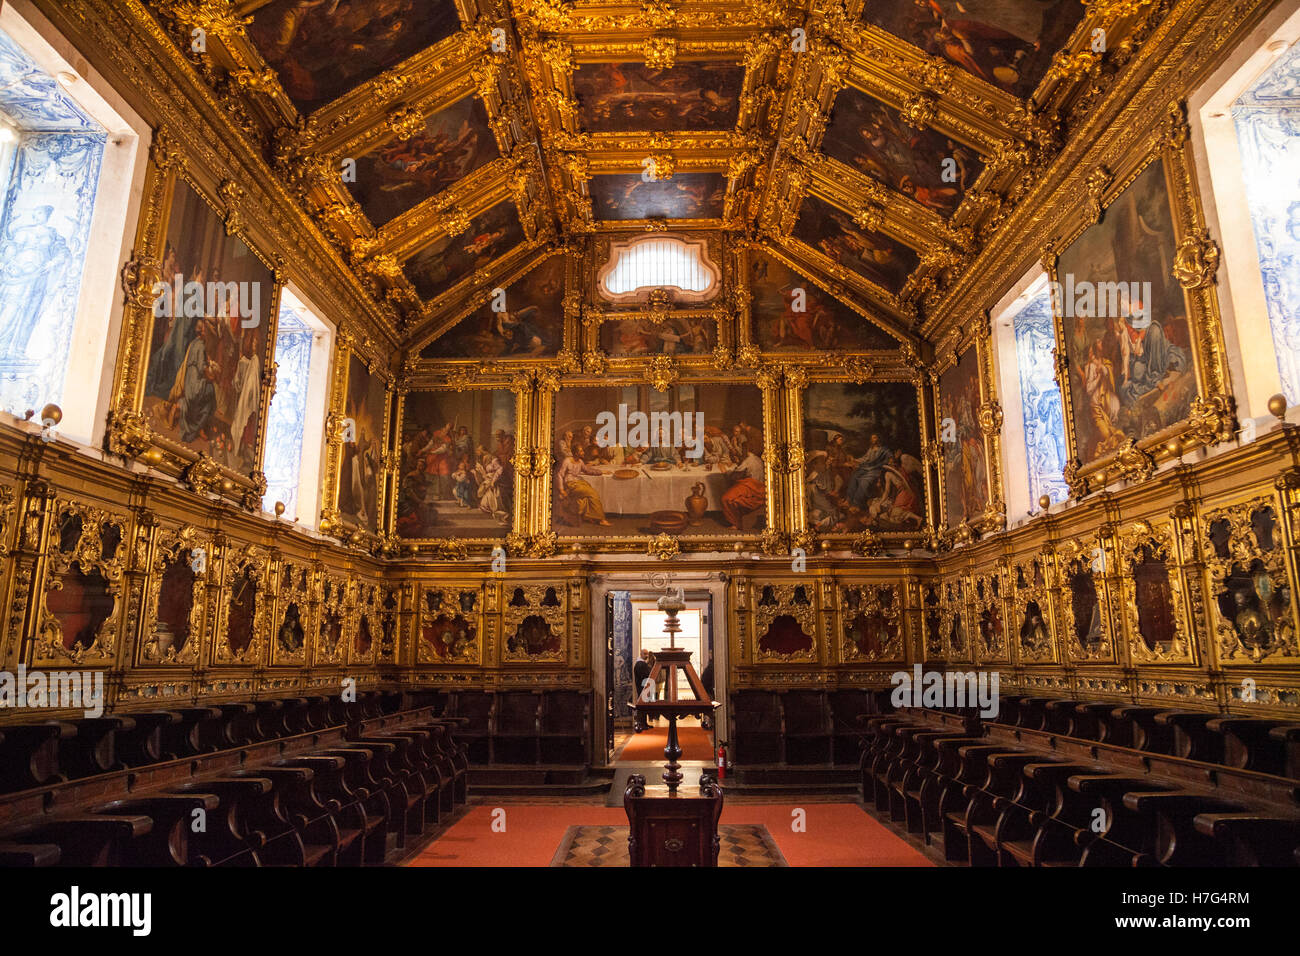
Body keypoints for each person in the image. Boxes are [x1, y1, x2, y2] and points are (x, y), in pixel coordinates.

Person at [633, 649, 652, 732]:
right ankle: (642, 724)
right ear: (640, 654)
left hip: (643, 687)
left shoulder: (641, 663)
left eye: (647, 654)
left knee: (644, 706)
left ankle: (644, 723)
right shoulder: (640, 664)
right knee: (642, 706)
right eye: (645, 654)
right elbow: (645, 675)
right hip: (642, 688)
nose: (646, 655)